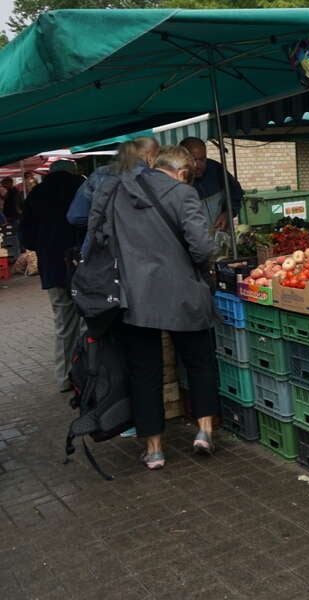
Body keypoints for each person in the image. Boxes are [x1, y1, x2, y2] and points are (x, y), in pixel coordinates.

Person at [88, 145, 219, 470]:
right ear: (181, 172)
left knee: (144, 373)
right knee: (199, 362)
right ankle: (204, 432)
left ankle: (155, 449)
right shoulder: (183, 194)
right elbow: (201, 248)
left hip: (134, 298)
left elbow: (97, 237)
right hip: (183, 294)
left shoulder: (115, 190)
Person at [17, 160, 87, 392]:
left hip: (53, 267)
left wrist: (45, 246)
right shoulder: (82, 186)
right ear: (73, 171)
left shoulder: (37, 193)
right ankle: (92, 372)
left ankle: (66, 377)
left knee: (64, 324)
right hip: (85, 265)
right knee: (91, 319)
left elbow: (26, 237)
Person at [179, 137, 243, 233]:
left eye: (202, 159)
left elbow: (236, 193)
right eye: (193, 160)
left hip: (222, 239)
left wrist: (228, 213)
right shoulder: (175, 181)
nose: (198, 165)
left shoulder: (216, 170)